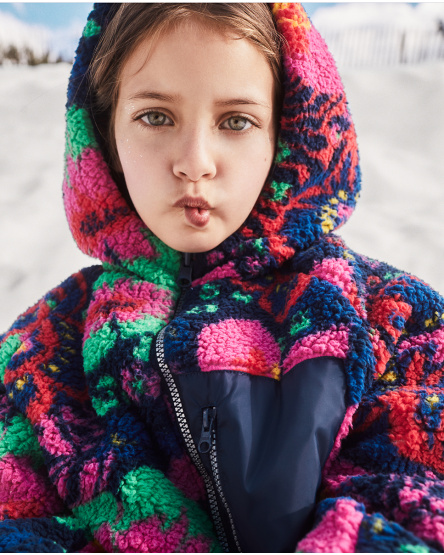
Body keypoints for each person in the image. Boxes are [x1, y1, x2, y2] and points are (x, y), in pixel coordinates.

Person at [0, 3, 443, 552]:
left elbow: (421, 504)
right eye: (156, 117)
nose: (195, 161)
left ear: (287, 132)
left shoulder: (395, 318)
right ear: (103, 134)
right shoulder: (39, 349)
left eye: (236, 121)